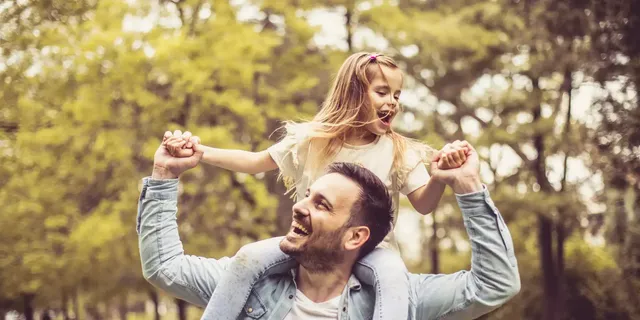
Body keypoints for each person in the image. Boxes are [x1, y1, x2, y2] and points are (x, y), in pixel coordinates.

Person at [162, 52, 469, 319]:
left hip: (373, 250)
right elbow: (255, 162)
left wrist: (440, 178)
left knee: (393, 278)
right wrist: (202, 153)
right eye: (382, 92)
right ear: (354, 93)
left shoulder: (398, 150)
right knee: (248, 258)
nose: (392, 102)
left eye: (397, 95)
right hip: (310, 246)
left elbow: (425, 205)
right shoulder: (312, 140)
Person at [138, 135, 520, 319]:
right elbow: (164, 268)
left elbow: (494, 286)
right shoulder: (247, 284)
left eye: (321, 204)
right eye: (307, 195)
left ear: (357, 236)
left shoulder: (397, 299)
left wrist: (468, 188)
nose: (300, 207)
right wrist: (163, 177)